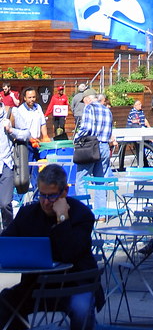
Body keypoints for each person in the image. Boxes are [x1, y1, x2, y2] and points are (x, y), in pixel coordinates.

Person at [0, 163, 103, 330]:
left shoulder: (82, 215)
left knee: (81, 307)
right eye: (42, 195)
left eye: (52, 196)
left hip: (76, 284)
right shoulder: (28, 214)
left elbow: (70, 253)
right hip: (36, 285)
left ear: (65, 192)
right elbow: (5, 243)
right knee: (5, 301)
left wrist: (62, 217)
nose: (46, 202)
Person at [73, 91, 116, 197]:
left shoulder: (89, 108)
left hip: (91, 147)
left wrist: (76, 138)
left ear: (87, 99)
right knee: (101, 181)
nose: (84, 104)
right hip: (104, 146)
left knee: (81, 180)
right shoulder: (107, 110)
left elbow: (86, 128)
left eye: (84, 101)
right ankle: (101, 208)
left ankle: (83, 207)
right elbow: (109, 131)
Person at [11, 87, 49, 190]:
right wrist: (30, 139)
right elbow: (19, 130)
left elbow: (43, 123)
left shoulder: (38, 107)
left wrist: (45, 136)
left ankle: (36, 194)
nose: (32, 99)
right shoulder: (20, 111)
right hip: (26, 144)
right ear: (24, 98)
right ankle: (19, 195)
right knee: (25, 171)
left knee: (37, 170)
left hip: (37, 143)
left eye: (33, 97)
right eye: (29, 97)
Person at [0, 101, 14, 230]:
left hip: (6, 164)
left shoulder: (10, 112)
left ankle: (9, 233)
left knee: (5, 204)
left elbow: (26, 133)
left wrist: (11, 130)